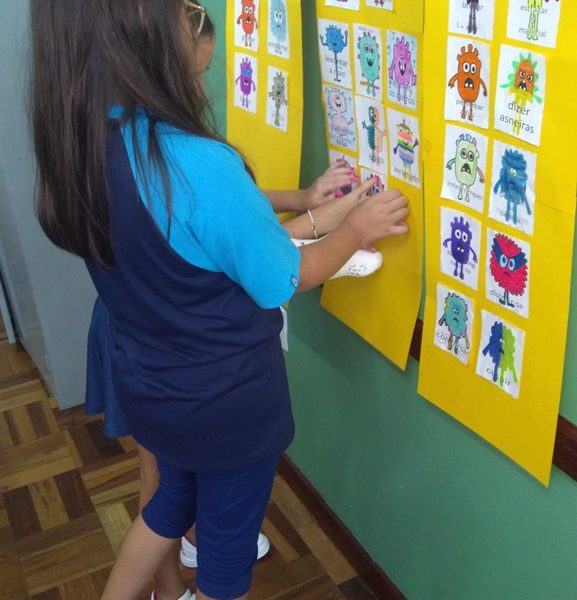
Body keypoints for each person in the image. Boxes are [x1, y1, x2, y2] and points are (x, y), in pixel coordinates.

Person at [30, 1, 410, 599]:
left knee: (167, 506)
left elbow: (193, 242)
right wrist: (356, 227)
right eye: (199, 69)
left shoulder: (84, 145)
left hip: (153, 388)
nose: (201, 82)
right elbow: (284, 279)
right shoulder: (198, 162)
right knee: (225, 562)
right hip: (226, 406)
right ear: (150, 39)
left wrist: (308, 212)